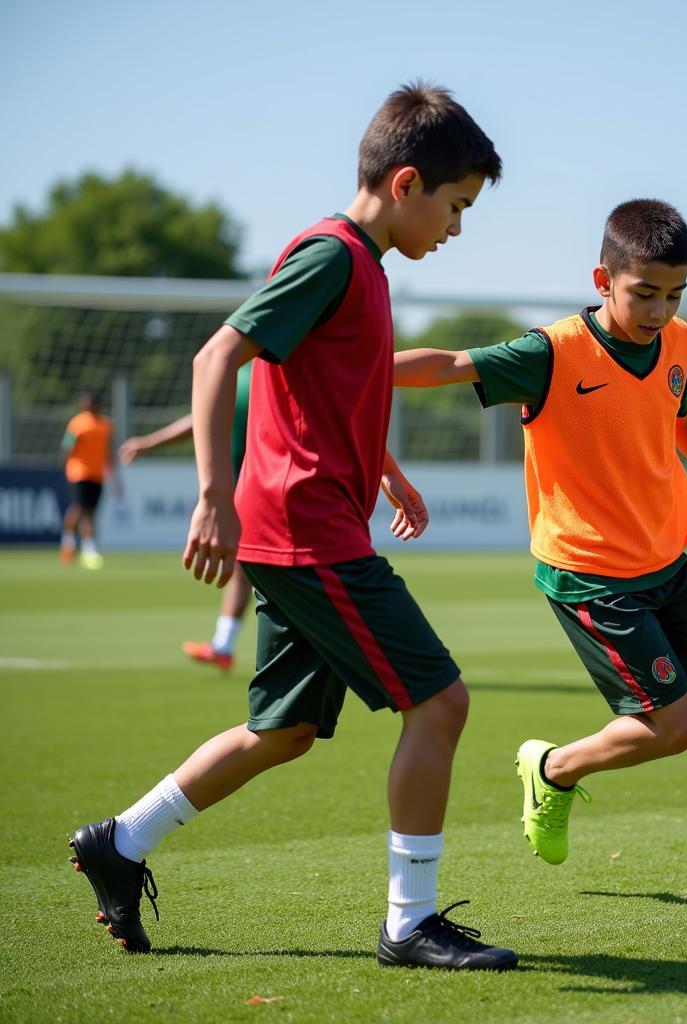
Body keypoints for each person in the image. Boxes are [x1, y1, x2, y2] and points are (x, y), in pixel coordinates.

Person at [68, 83, 517, 971]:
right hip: (307, 533)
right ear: (406, 181)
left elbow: (332, 389)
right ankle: (409, 923)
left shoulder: (365, 269)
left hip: (314, 525)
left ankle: (120, 842)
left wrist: (385, 469)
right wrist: (210, 494)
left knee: (285, 731)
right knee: (440, 702)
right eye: (457, 207)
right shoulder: (332, 256)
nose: (458, 228)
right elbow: (217, 355)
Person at [393, 199, 687, 900]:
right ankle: (554, 770)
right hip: (591, 576)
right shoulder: (551, 352)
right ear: (603, 279)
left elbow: (681, 414)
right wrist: (348, 366)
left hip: (664, 560)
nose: (660, 310)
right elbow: (451, 362)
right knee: (680, 725)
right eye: (644, 293)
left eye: (674, 295)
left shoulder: (679, 342)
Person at [119, 363, 253, 671]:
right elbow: (204, 418)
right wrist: (149, 443)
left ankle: (226, 645)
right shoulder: (245, 372)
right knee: (246, 570)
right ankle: (223, 645)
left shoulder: (269, 369)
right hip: (247, 494)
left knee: (256, 571)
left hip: (274, 492)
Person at [60, 391, 119, 570]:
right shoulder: (77, 423)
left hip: (97, 474)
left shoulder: (106, 425)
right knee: (79, 508)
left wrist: (114, 475)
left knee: (91, 511)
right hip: (78, 472)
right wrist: (63, 465)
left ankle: (87, 548)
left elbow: (108, 452)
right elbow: (67, 447)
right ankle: (73, 544)